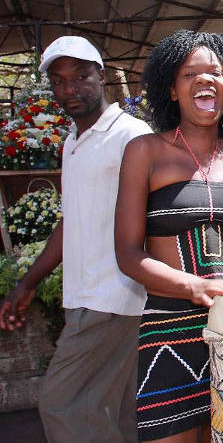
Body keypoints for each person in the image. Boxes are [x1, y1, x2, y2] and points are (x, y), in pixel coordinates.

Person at [114, 30, 223, 442]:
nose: (204, 80)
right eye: (189, 74)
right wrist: (194, 286)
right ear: (171, 89)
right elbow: (128, 253)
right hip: (167, 329)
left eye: (215, 73)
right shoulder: (145, 151)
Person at [0, 36, 152, 442]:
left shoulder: (131, 135)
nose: (70, 88)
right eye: (59, 80)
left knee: (61, 404)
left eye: (81, 76)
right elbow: (73, 221)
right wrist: (27, 283)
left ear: (101, 76)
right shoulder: (74, 141)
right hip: (86, 295)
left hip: (114, 294)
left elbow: (155, 214)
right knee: (116, 411)